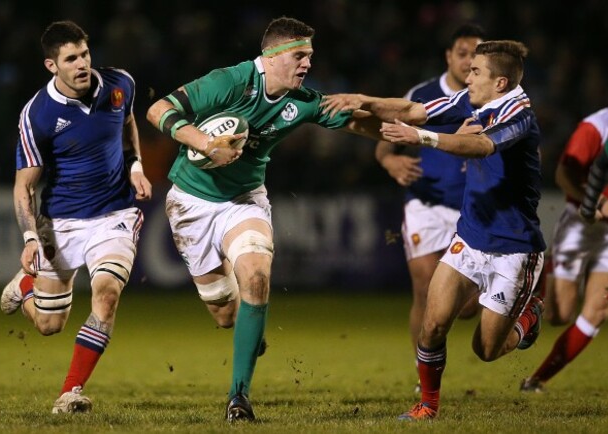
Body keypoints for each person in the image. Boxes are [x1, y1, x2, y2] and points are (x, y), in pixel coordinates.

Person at [145, 16, 389, 422]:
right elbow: (158, 109)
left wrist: (418, 134)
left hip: (245, 200)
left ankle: (238, 398)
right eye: (300, 56)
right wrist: (208, 144)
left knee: (257, 276)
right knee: (225, 315)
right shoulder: (229, 81)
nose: (308, 64)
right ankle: (247, 327)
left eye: (310, 56)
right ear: (271, 57)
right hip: (190, 203)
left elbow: (362, 124)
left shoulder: (304, 101)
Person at [321, 40, 545, 421]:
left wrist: (422, 138)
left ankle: (529, 318)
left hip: (515, 248)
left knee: (487, 349)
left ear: (501, 82)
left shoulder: (519, 115)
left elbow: (480, 146)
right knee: (433, 322)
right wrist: (363, 99)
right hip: (471, 236)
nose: (467, 77)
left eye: (476, 72)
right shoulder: (475, 100)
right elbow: (412, 109)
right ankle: (428, 405)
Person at [0, 21, 152, 413]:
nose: (82, 63)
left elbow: (128, 121)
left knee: (106, 293)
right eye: (71, 59)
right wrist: (31, 238)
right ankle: (28, 287)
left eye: (85, 54)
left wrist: (135, 165)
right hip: (60, 222)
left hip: (114, 214)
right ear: (53, 66)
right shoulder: (37, 114)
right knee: (50, 326)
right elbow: (24, 187)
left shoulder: (120, 84)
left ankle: (70, 392)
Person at [374, 24, 485, 392]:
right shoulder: (421, 95)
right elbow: (383, 144)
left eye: (476, 54)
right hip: (424, 202)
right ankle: (426, 382)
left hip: (472, 207)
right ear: (449, 57)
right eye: (463, 52)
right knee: (423, 288)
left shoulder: (490, 97)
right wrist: (392, 164)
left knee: (466, 306)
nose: (469, 60)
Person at [520, 92, 608, 392]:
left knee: (599, 310)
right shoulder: (597, 127)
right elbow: (564, 175)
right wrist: (596, 202)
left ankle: (536, 380)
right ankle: (534, 301)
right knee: (559, 314)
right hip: (581, 221)